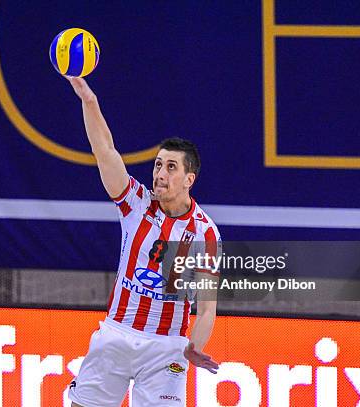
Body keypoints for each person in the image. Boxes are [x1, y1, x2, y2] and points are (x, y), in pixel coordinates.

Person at [66, 77, 220, 407]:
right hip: (117, 333)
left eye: (171, 167)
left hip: (166, 349)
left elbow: (207, 306)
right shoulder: (136, 203)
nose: (160, 174)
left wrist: (194, 346)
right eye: (158, 164)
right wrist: (89, 100)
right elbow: (105, 151)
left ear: (189, 179)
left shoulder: (205, 233)